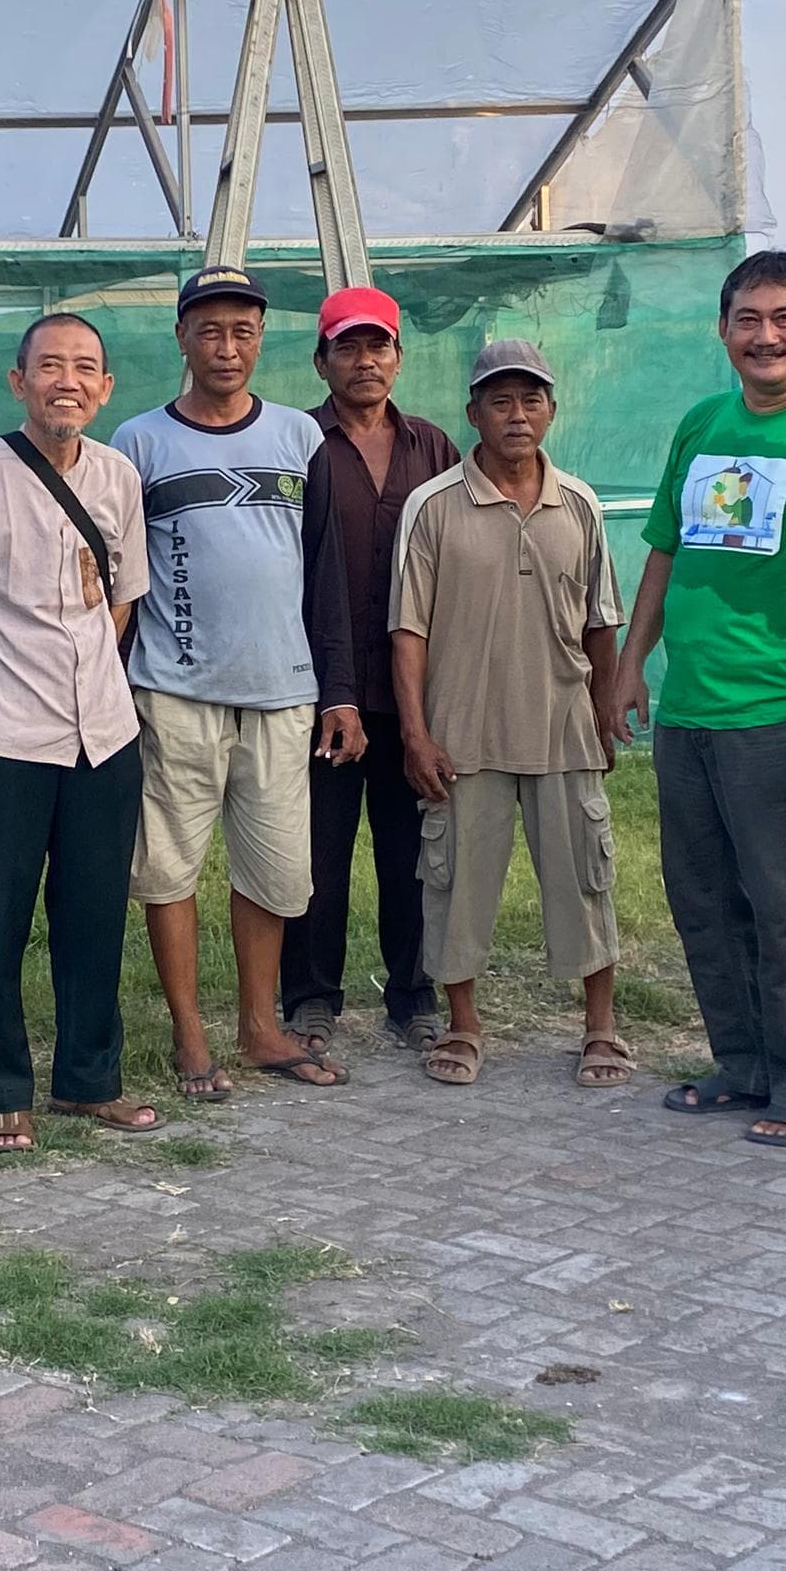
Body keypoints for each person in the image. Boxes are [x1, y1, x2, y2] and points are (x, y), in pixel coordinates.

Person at [596, 248, 786, 1145]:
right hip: (691, 708)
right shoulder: (701, 424)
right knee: (704, 900)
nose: (765, 336)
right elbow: (664, 550)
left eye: (784, 319)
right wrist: (630, 661)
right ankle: (743, 1065)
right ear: (724, 330)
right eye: (748, 319)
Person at [0, 311, 159, 1150]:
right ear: (17, 382)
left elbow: (125, 594)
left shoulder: (118, 476)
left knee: (93, 913)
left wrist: (90, 667)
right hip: (0, 735)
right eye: (49, 365)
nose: (68, 381)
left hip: (103, 732)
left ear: (106, 388)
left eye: (85, 367)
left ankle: (89, 1082)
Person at [116, 266, 339, 1095]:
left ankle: (259, 1027)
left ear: (261, 338)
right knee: (169, 869)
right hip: (174, 692)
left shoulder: (297, 439)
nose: (227, 346)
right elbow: (119, 574)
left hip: (282, 693)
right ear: (182, 338)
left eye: (243, 331)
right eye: (209, 330)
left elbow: (326, 573)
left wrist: (337, 686)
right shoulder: (139, 443)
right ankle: (189, 1035)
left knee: (274, 873)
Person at [389, 340, 632, 1090]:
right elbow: (408, 629)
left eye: (531, 399)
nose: (517, 415)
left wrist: (604, 711)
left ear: (551, 411)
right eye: (500, 400)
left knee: (585, 881)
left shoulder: (580, 504)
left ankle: (601, 1028)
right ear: (474, 414)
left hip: (562, 731)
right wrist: (416, 734)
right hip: (463, 736)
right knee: (455, 886)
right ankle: (463, 1028)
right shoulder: (431, 507)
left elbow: (600, 621)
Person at [289, 283, 452, 1055]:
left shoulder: (434, 447)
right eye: (348, 346)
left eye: (378, 344)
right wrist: (332, 689)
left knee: (411, 852)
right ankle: (312, 997)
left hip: (414, 695)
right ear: (321, 360)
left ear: (399, 356)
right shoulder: (297, 443)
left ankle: (413, 995)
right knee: (317, 850)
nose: (365, 360)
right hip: (322, 689)